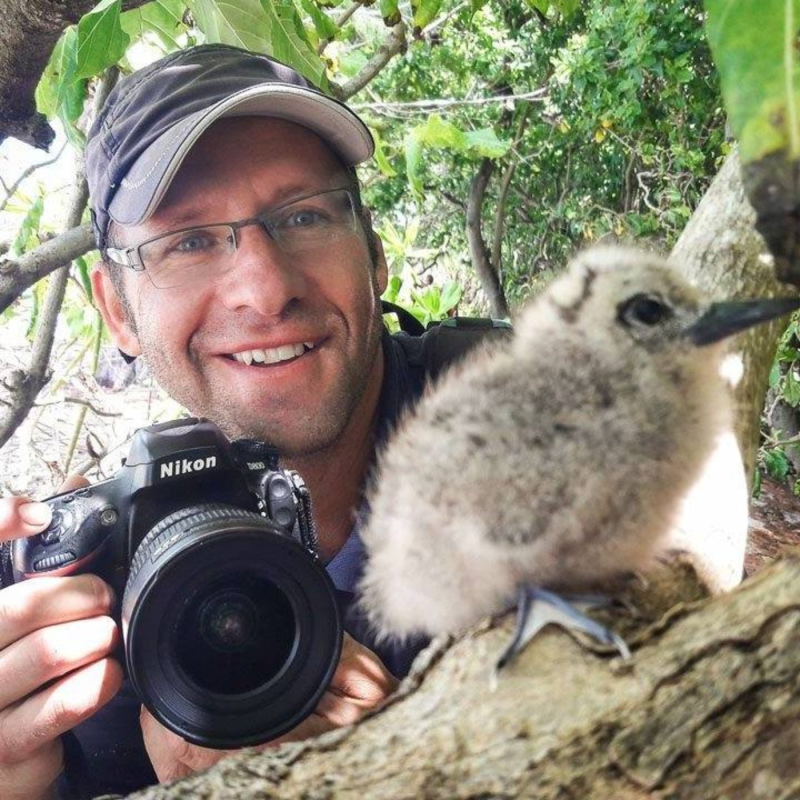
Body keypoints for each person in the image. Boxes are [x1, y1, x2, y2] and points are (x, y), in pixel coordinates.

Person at [0, 44, 496, 799]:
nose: (264, 291)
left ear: (372, 253)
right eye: (188, 241)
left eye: (302, 217)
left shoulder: (521, 419)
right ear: (117, 311)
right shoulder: (64, 619)